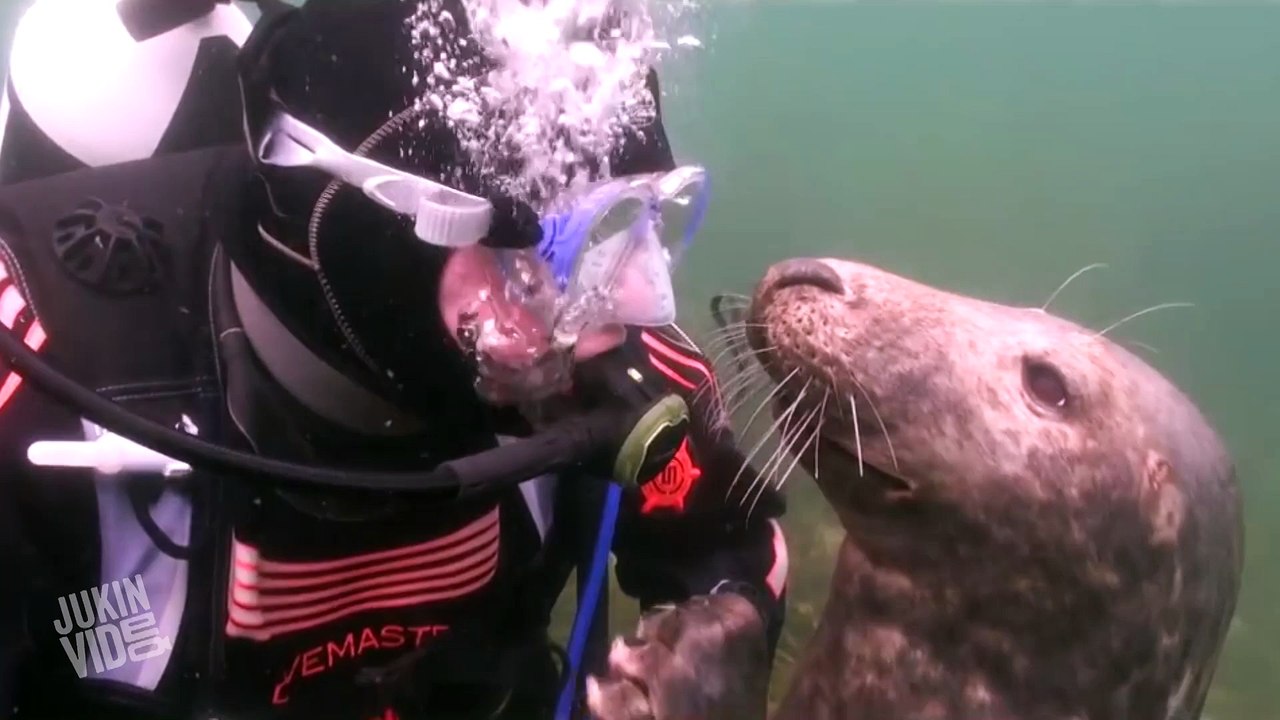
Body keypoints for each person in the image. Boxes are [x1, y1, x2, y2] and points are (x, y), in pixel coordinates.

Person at [0, 1, 789, 719]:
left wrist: (729, 635)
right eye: (558, 248)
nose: (644, 306)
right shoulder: (43, 375)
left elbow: (733, 541)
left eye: (634, 228)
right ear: (371, 237)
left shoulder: (603, 367)